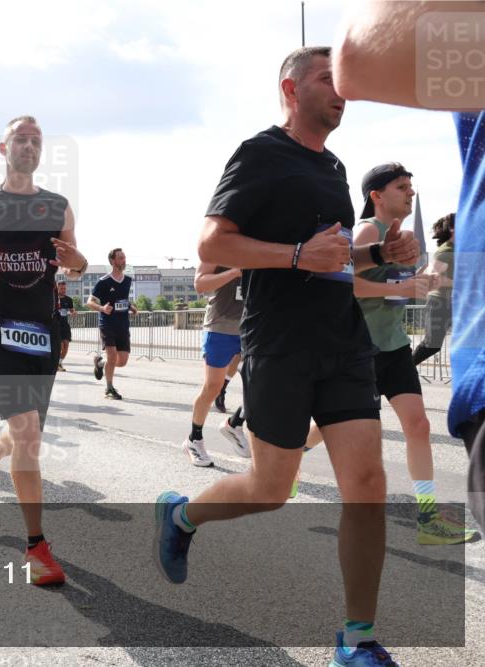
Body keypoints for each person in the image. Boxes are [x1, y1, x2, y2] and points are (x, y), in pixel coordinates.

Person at [154, 47, 420, 667]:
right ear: (291, 89)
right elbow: (212, 242)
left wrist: (380, 257)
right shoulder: (260, 153)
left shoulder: (334, 167)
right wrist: (297, 256)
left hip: (344, 341)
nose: (342, 90)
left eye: (344, 81)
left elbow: (331, 259)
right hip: (279, 342)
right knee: (272, 488)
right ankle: (181, 515)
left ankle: (356, 640)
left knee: (367, 484)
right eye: (329, 79)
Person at [333, 0, 483, 544]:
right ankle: (271, 454)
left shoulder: (402, 239)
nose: (411, 192)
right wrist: (406, 284)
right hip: (359, 347)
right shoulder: (367, 233)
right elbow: (349, 285)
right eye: (402, 187)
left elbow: (392, 288)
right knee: (342, 436)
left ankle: (426, 516)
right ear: (378, 195)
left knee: (416, 425)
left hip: (391, 342)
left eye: (411, 186)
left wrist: (420, 284)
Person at [0, 115, 88, 586]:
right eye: (20, 139)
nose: (29, 146)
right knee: (29, 435)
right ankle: (37, 547)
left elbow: (77, 263)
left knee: (24, 434)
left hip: (42, 330)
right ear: (4, 149)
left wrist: (77, 262)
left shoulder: (58, 206)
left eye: (36, 140)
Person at [183, 263, 249, 466]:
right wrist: (234, 272)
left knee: (262, 386)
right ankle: (194, 439)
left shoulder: (260, 244)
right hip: (219, 328)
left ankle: (235, 423)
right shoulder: (217, 246)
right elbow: (200, 284)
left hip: (250, 327)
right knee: (212, 388)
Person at [88, 248, 136, 400]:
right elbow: (89, 302)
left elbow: (121, 299)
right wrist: (102, 308)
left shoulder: (127, 280)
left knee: (122, 361)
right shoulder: (104, 282)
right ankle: (109, 388)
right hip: (107, 323)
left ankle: (100, 363)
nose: (124, 260)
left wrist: (130, 307)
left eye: (124, 257)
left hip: (123, 324)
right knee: (112, 355)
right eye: (121, 258)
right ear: (113, 261)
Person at [412, 213, 455, 366]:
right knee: (432, 345)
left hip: (455, 303)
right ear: (452, 229)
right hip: (440, 303)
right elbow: (433, 279)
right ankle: (403, 372)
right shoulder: (445, 252)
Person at [54, 280, 75, 372]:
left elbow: (72, 310)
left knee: (66, 347)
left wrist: (73, 312)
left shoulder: (69, 299)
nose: (63, 290)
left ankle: (59, 363)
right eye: (61, 288)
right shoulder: (53, 298)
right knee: (60, 346)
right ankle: (57, 364)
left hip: (65, 326)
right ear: (57, 288)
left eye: (64, 288)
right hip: (56, 325)